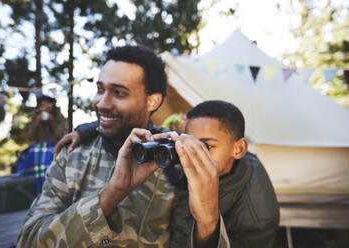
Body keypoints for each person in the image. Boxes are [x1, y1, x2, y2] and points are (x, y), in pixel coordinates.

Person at [17, 45, 229, 248]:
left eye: (119, 93)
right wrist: (112, 192)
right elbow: (27, 241)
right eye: (100, 89)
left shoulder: (176, 160)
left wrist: (209, 224)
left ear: (152, 102)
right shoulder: (72, 154)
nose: (101, 103)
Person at [55, 100, 280, 248]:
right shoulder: (189, 159)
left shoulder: (257, 213)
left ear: (238, 148)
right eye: (187, 142)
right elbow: (147, 131)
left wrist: (208, 224)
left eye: (206, 146)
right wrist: (87, 130)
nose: (191, 153)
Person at [13, 94, 68, 193]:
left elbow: (63, 136)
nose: (45, 109)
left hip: (55, 147)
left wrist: (52, 123)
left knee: (48, 154)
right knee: (29, 155)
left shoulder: (59, 118)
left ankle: (50, 189)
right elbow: (29, 137)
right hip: (37, 149)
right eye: (42, 106)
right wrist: (36, 123)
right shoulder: (35, 118)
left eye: (48, 106)